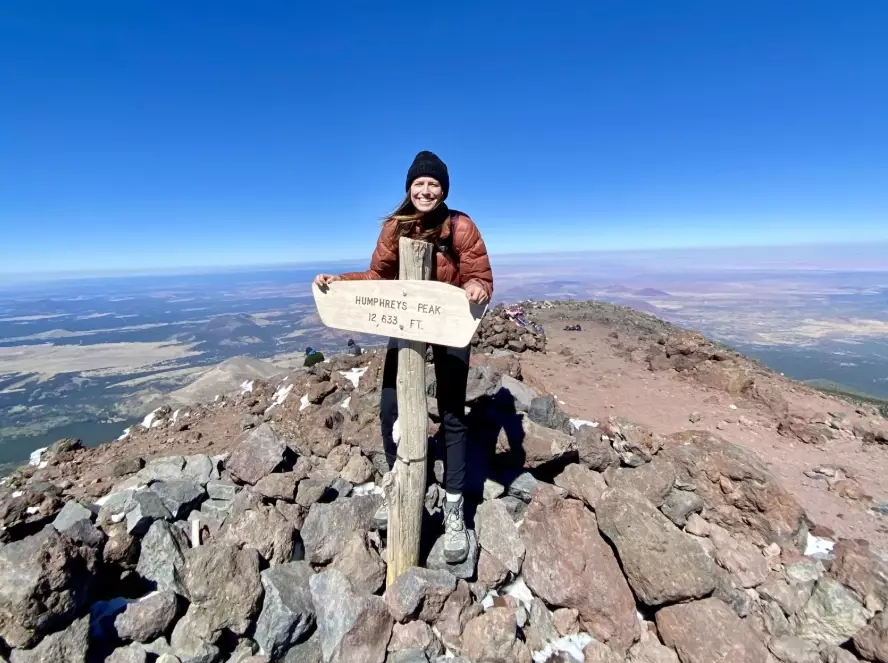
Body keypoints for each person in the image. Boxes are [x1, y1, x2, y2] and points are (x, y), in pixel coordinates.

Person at [313, 150, 493, 563]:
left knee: (451, 414)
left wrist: (477, 289)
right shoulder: (396, 228)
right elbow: (377, 278)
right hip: (406, 321)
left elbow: (481, 276)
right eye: (419, 184)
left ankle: (453, 509)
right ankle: (396, 482)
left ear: (443, 189)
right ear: (409, 188)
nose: (426, 190)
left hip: (448, 322)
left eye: (433, 184)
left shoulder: (460, 226)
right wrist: (340, 282)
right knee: (389, 408)